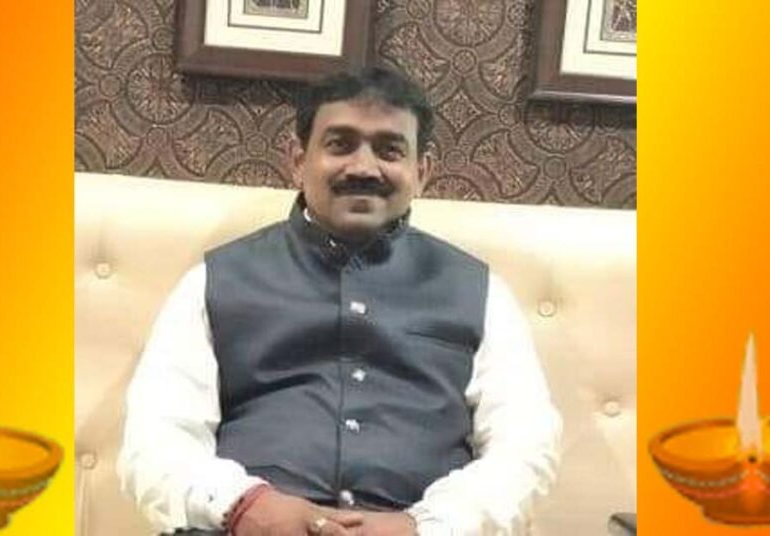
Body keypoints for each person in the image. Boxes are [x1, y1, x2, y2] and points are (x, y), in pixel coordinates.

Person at [118, 67, 561, 536]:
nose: (363, 167)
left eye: (389, 150)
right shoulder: (214, 280)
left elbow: (525, 445)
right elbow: (156, 439)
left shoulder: (481, 292)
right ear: (297, 160)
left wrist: (423, 526)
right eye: (340, 144)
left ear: (421, 172)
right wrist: (247, 507)